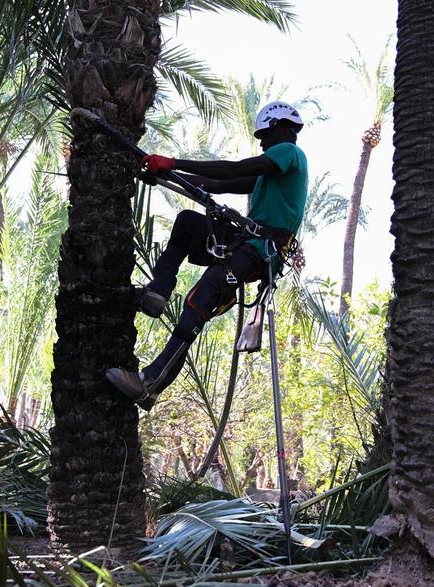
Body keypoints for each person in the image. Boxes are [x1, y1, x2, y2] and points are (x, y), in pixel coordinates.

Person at [106, 101, 309, 409]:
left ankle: (151, 382)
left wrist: (174, 162)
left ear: (282, 129)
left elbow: (235, 168)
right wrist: (161, 177)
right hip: (247, 241)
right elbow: (219, 183)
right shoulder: (270, 175)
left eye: (264, 135)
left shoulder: (290, 154)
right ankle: (158, 291)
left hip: (259, 250)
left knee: (201, 298)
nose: (261, 142)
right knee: (187, 223)